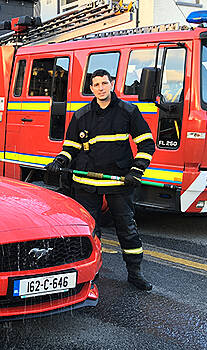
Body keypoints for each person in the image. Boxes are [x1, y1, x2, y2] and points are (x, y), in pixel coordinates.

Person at [46, 69, 155, 291]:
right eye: (96, 85)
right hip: (87, 183)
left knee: (127, 228)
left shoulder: (128, 111)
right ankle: (89, 274)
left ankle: (135, 273)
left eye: (104, 83)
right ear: (91, 88)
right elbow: (70, 148)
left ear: (112, 83)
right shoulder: (81, 115)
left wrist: (137, 171)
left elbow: (146, 144)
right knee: (88, 231)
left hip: (118, 182)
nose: (101, 88)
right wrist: (59, 161)